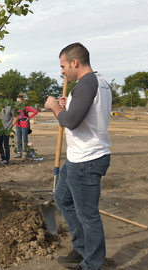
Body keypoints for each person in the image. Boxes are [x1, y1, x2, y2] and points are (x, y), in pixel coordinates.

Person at [44, 42, 111, 270]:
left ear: (75, 62)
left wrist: (55, 107)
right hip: (78, 157)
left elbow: (70, 121)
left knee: (87, 214)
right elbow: (79, 114)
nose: (62, 71)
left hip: (87, 159)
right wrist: (66, 105)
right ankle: (81, 248)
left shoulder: (85, 83)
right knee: (62, 198)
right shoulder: (98, 82)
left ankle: (92, 263)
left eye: (63, 66)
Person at [14, 94, 38, 159]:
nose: (17, 103)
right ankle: (19, 152)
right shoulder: (16, 107)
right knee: (19, 139)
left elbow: (35, 112)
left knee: (25, 139)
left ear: (22, 101)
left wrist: (28, 118)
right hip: (18, 124)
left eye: (18, 101)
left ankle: (25, 153)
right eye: (17, 101)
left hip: (24, 124)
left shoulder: (26, 107)